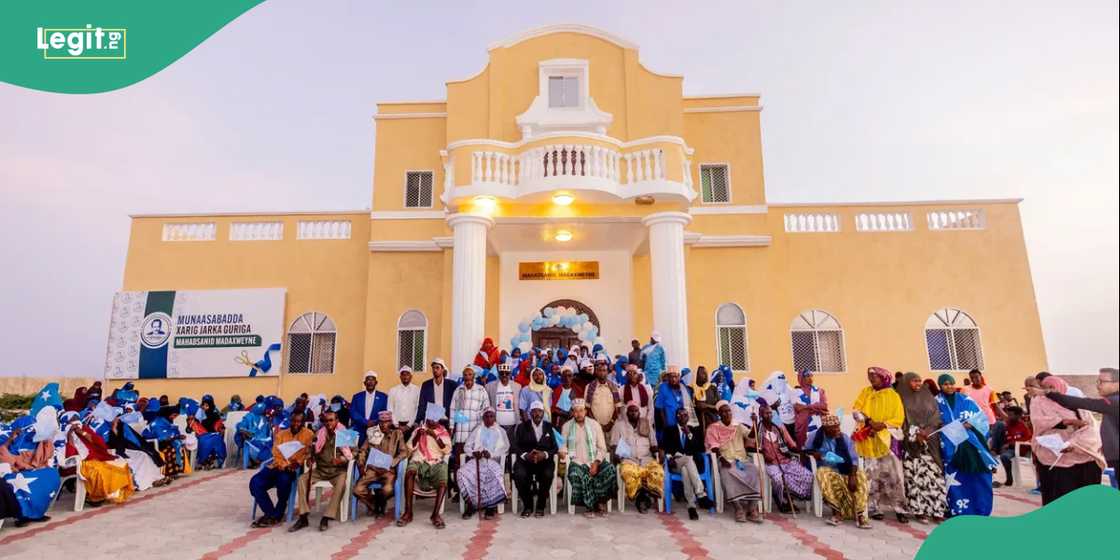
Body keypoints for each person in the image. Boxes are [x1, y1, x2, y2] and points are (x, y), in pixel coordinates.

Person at [1027, 375, 1105, 505]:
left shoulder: (1075, 400)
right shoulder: (1039, 402)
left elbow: (1090, 426)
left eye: (1053, 387)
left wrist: (1073, 443)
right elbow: (1039, 422)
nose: (1051, 391)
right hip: (1054, 457)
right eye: (1047, 388)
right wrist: (1065, 422)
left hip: (1084, 455)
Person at [1030, 367, 1118, 474]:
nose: (1098, 385)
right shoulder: (1038, 402)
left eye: (1102, 382)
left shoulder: (1114, 402)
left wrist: (1048, 393)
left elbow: (1081, 403)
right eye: (1097, 381)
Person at [852, 366, 908, 522]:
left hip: (888, 440)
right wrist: (869, 422)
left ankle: (900, 509)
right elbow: (856, 409)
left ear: (883, 378)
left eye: (874, 377)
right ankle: (873, 507)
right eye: (870, 377)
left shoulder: (893, 396)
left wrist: (882, 425)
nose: (871, 380)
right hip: (869, 438)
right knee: (871, 475)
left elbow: (899, 418)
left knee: (894, 475)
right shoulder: (866, 392)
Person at [936, 374, 997, 516]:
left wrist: (972, 424)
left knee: (978, 478)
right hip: (949, 447)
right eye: (945, 384)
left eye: (951, 383)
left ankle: (980, 509)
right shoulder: (936, 402)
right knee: (955, 478)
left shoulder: (966, 399)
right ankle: (957, 510)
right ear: (940, 386)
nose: (949, 386)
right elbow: (933, 421)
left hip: (972, 445)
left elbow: (981, 419)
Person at [290, 410, 354, 532]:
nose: (328, 423)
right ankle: (303, 516)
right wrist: (310, 457)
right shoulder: (319, 434)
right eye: (325, 421)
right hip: (321, 470)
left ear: (337, 420)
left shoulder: (344, 434)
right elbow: (311, 450)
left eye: (331, 420)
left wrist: (342, 459)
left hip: (338, 471)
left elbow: (355, 452)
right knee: (302, 479)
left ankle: (327, 517)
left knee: (341, 485)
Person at [897, 372, 947, 522]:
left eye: (919, 381)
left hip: (930, 443)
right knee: (914, 478)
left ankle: (937, 510)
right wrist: (915, 433)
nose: (918, 384)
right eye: (914, 381)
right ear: (906, 383)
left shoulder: (928, 396)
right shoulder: (900, 398)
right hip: (911, 444)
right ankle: (919, 511)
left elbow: (936, 416)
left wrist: (928, 431)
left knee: (935, 478)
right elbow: (900, 420)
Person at [250, 410, 313, 527]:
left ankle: (276, 513)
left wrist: (298, 462)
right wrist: (284, 464)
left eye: (299, 422)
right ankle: (271, 514)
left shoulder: (309, 434)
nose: (295, 424)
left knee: (283, 481)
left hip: (292, 470)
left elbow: (308, 454)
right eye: (293, 421)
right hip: (277, 466)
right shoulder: (281, 434)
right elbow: (276, 453)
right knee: (255, 482)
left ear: (303, 422)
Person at [806, 414, 870, 528]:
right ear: (825, 429)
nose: (837, 429)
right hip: (828, 469)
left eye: (838, 426)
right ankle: (836, 513)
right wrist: (813, 453)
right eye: (834, 428)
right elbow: (805, 450)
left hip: (846, 469)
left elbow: (854, 459)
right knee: (822, 473)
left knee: (861, 475)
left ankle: (861, 515)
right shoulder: (815, 437)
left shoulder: (844, 438)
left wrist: (852, 476)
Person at [705, 401, 763, 523]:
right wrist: (722, 459)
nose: (727, 414)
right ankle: (738, 509)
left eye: (729, 411)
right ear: (719, 414)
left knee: (755, 471)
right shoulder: (713, 428)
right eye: (724, 412)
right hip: (726, 459)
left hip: (742, 460)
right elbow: (714, 447)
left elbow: (751, 436)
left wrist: (755, 423)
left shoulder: (738, 426)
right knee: (727, 474)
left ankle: (752, 509)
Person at [62, 412, 135, 506]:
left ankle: (113, 493)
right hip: (78, 462)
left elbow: (99, 442)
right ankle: (97, 497)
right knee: (99, 471)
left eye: (76, 419)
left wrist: (82, 432)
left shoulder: (84, 429)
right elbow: (69, 453)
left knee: (121, 464)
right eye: (72, 420)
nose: (75, 423)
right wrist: (70, 434)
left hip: (95, 457)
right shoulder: (64, 434)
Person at [755, 398, 813, 513]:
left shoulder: (777, 429)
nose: (769, 415)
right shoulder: (758, 429)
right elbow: (752, 446)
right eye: (766, 413)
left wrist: (802, 451)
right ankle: (782, 501)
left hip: (784, 460)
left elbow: (790, 445)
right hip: (770, 463)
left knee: (807, 475)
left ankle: (790, 497)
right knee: (778, 479)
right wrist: (763, 454)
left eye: (771, 412)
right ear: (761, 415)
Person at [561, 399, 616, 517]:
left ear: (585, 411)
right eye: (575, 411)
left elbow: (602, 448)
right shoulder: (566, 426)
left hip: (594, 460)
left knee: (610, 469)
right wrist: (562, 453)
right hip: (576, 462)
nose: (578, 414)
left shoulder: (594, 424)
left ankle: (601, 502)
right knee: (577, 474)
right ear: (572, 412)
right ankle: (590, 505)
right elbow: (563, 446)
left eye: (581, 411)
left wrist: (596, 463)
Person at [398, 412, 452, 529]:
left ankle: (435, 514)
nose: (431, 422)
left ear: (438, 421)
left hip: (435, 461)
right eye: (429, 419)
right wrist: (418, 436)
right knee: (410, 472)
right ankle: (408, 512)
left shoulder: (443, 432)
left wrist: (434, 436)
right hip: (419, 460)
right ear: (426, 419)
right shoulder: (418, 430)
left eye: (434, 420)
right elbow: (409, 448)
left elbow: (447, 450)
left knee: (443, 477)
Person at [660, 407, 715, 519]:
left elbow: (699, 448)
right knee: (688, 459)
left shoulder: (694, 430)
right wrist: (669, 457)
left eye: (685, 415)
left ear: (688, 417)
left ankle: (691, 507)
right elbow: (665, 447)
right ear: (676, 417)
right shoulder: (669, 430)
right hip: (675, 463)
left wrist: (689, 433)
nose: (682, 417)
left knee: (686, 469)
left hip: (690, 466)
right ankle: (701, 494)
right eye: (679, 415)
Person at [352, 410, 408, 518]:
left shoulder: (397, 433)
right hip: (372, 469)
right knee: (357, 490)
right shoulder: (372, 432)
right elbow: (363, 450)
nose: (383, 425)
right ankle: (375, 504)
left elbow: (404, 451)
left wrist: (393, 462)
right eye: (381, 422)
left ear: (391, 422)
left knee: (387, 490)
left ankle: (378, 505)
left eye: (386, 422)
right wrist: (361, 464)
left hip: (388, 470)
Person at [610, 401, 662, 513]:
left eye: (636, 411)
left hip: (646, 458)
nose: (633, 413)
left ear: (639, 412)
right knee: (627, 472)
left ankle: (645, 494)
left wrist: (658, 452)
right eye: (631, 411)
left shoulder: (646, 424)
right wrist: (615, 456)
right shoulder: (619, 425)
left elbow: (654, 444)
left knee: (658, 471)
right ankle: (641, 497)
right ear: (626, 412)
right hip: (629, 460)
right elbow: (613, 445)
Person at [458, 408, 510, 519]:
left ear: (495, 417)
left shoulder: (501, 431)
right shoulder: (477, 430)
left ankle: (490, 507)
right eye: (486, 416)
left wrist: (491, 454)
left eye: (491, 416)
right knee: (462, 473)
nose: (489, 419)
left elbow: (506, 448)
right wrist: (473, 453)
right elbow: (466, 446)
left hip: (493, 461)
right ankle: (471, 504)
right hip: (477, 461)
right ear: (483, 417)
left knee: (491, 473)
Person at [511, 400, 558, 517]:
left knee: (548, 474)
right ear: (530, 413)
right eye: (534, 411)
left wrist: (545, 454)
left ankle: (541, 506)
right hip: (526, 461)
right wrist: (525, 455)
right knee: (519, 474)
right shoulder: (522, 427)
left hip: (544, 461)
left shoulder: (549, 427)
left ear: (543, 413)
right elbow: (515, 446)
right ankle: (528, 505)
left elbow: (555, 447)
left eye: (540, 411)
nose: (537, 414)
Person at [143, 404, 190, 479]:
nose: (174, 418)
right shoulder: (158, 423)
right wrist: (175, 437)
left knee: (178, 446)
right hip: (154, 443)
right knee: (170, 450)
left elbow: (171, 433)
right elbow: (161, 436)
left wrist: (178, 436)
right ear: (168, 414)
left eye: (176, 416)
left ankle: (176, 471)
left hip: (164, 442)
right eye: (174, 415)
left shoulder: (167, 422)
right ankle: (168, 473)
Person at [655, 366, 698, 442]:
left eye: (675, 376)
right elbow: (660, 407)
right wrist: (665, 424)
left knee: (686, 443)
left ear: (679, 376)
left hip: (683, 424)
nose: (673, 379)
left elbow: (689, 407)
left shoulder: (684, 388)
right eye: (671, 377)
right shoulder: (663, 387)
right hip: (670, 423)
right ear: (667, 377)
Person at [993, 406, 1032, 487]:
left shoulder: (1023, 426)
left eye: (1011, 415)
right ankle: (994, 450)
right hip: (1006, 447)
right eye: (1008, 415)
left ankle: (1009, 479)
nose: (1009, 417)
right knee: (998, 424)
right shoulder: (1008, 423)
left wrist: (1011, 444)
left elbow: (1028, 440)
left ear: (1018, 416)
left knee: (1004, 457)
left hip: (1019, 449)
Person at [415, 358, 459, 427]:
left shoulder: (452, 385)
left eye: (437, 368)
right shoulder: (426, 385)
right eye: (433, 368)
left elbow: (458, 403)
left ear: (442, 369)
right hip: (431, 423)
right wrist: (417, 421)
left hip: (447, 422)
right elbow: (422, 405)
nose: (435, 370)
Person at [350, 371, 389, 445]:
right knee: (358, 451)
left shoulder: (383, 397)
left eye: (372, 380)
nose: (370, 382)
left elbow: (384, 412)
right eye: (368, 380)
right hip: (359, 428)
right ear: (364, 383)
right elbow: (353, 412)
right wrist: (365, 422)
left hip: (376, 429)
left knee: (374, 450)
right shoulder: (357, 397)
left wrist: (374, 421)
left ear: (376, 382)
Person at [792, 370, 829, 448]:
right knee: (805, 448)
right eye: (807, 376)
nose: (810, 378)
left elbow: (824, 405)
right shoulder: (795, 392)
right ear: (801, 378)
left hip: (819, 422)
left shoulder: (819, 391)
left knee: (821, 447)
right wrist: (816, 407)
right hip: (803, 425)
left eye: (811, 375)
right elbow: (798, 408)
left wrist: (806, 407)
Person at [486, 362, 522, 439]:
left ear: (510, 374)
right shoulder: (489, 386)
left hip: (513, 425)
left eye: (507, 373)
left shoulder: (517, 386)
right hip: (497, 425)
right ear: (498, 374)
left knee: (512, 449)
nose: (504, 375)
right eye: (502, 373)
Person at [585, 361, 622, 433]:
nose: (602, 373)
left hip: (611, 427)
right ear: (596, 372)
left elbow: (618, 407)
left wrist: (611, 422)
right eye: (599, 370)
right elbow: (587, 408)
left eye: (604, 370)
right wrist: (596, 424)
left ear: (607, 372)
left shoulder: (614, 387)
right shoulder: (589, 387)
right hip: (594, 427)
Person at [191, 397, 226, 469]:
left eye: (207, 405)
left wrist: (220, 429)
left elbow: (220, 425)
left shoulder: (215, 414)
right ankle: (204, 461)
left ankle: (216, 460)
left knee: (217, 440)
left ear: (211, 405)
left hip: (214, 434)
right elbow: (195, 425)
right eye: (203, 405)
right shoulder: (200, 413)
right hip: (203, 434)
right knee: (204, 441)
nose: (204, 407)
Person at [388, 365, 422, 438]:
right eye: (403, 374)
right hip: (396, 426)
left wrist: (408, 425)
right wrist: (396, 425)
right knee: (396, 448)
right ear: (400, 376)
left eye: (407, 374)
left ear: (411, 376)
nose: (405, 376)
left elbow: (417, 408)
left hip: (412, 426)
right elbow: (390, 408)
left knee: (410, 448)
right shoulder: (393, 390)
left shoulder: (417, 390)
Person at [236, 401, 273, 467]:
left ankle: (260, 461)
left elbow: (268, 433)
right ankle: (258, 461)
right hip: (253, 441)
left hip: (264, 442)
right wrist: (247, 432)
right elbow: (240, 427)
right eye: (264, 410)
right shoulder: (249, 417)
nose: (266, 411)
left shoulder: (266, 419)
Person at [763, 371, 798, 437]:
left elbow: (796, 405)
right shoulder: (770, 393)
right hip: (780, 422)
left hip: (794, 422)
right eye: (778, 382)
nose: (781, 384)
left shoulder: (790, 391)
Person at [691, 366, 721, 434]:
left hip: (712, 422)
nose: (706, 375)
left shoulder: (712, 388)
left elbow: (720, 406)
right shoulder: (691, 389)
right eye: (702, 373)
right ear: (696, 375)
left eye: (706, 373)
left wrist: (707, 406)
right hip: (697, 425)